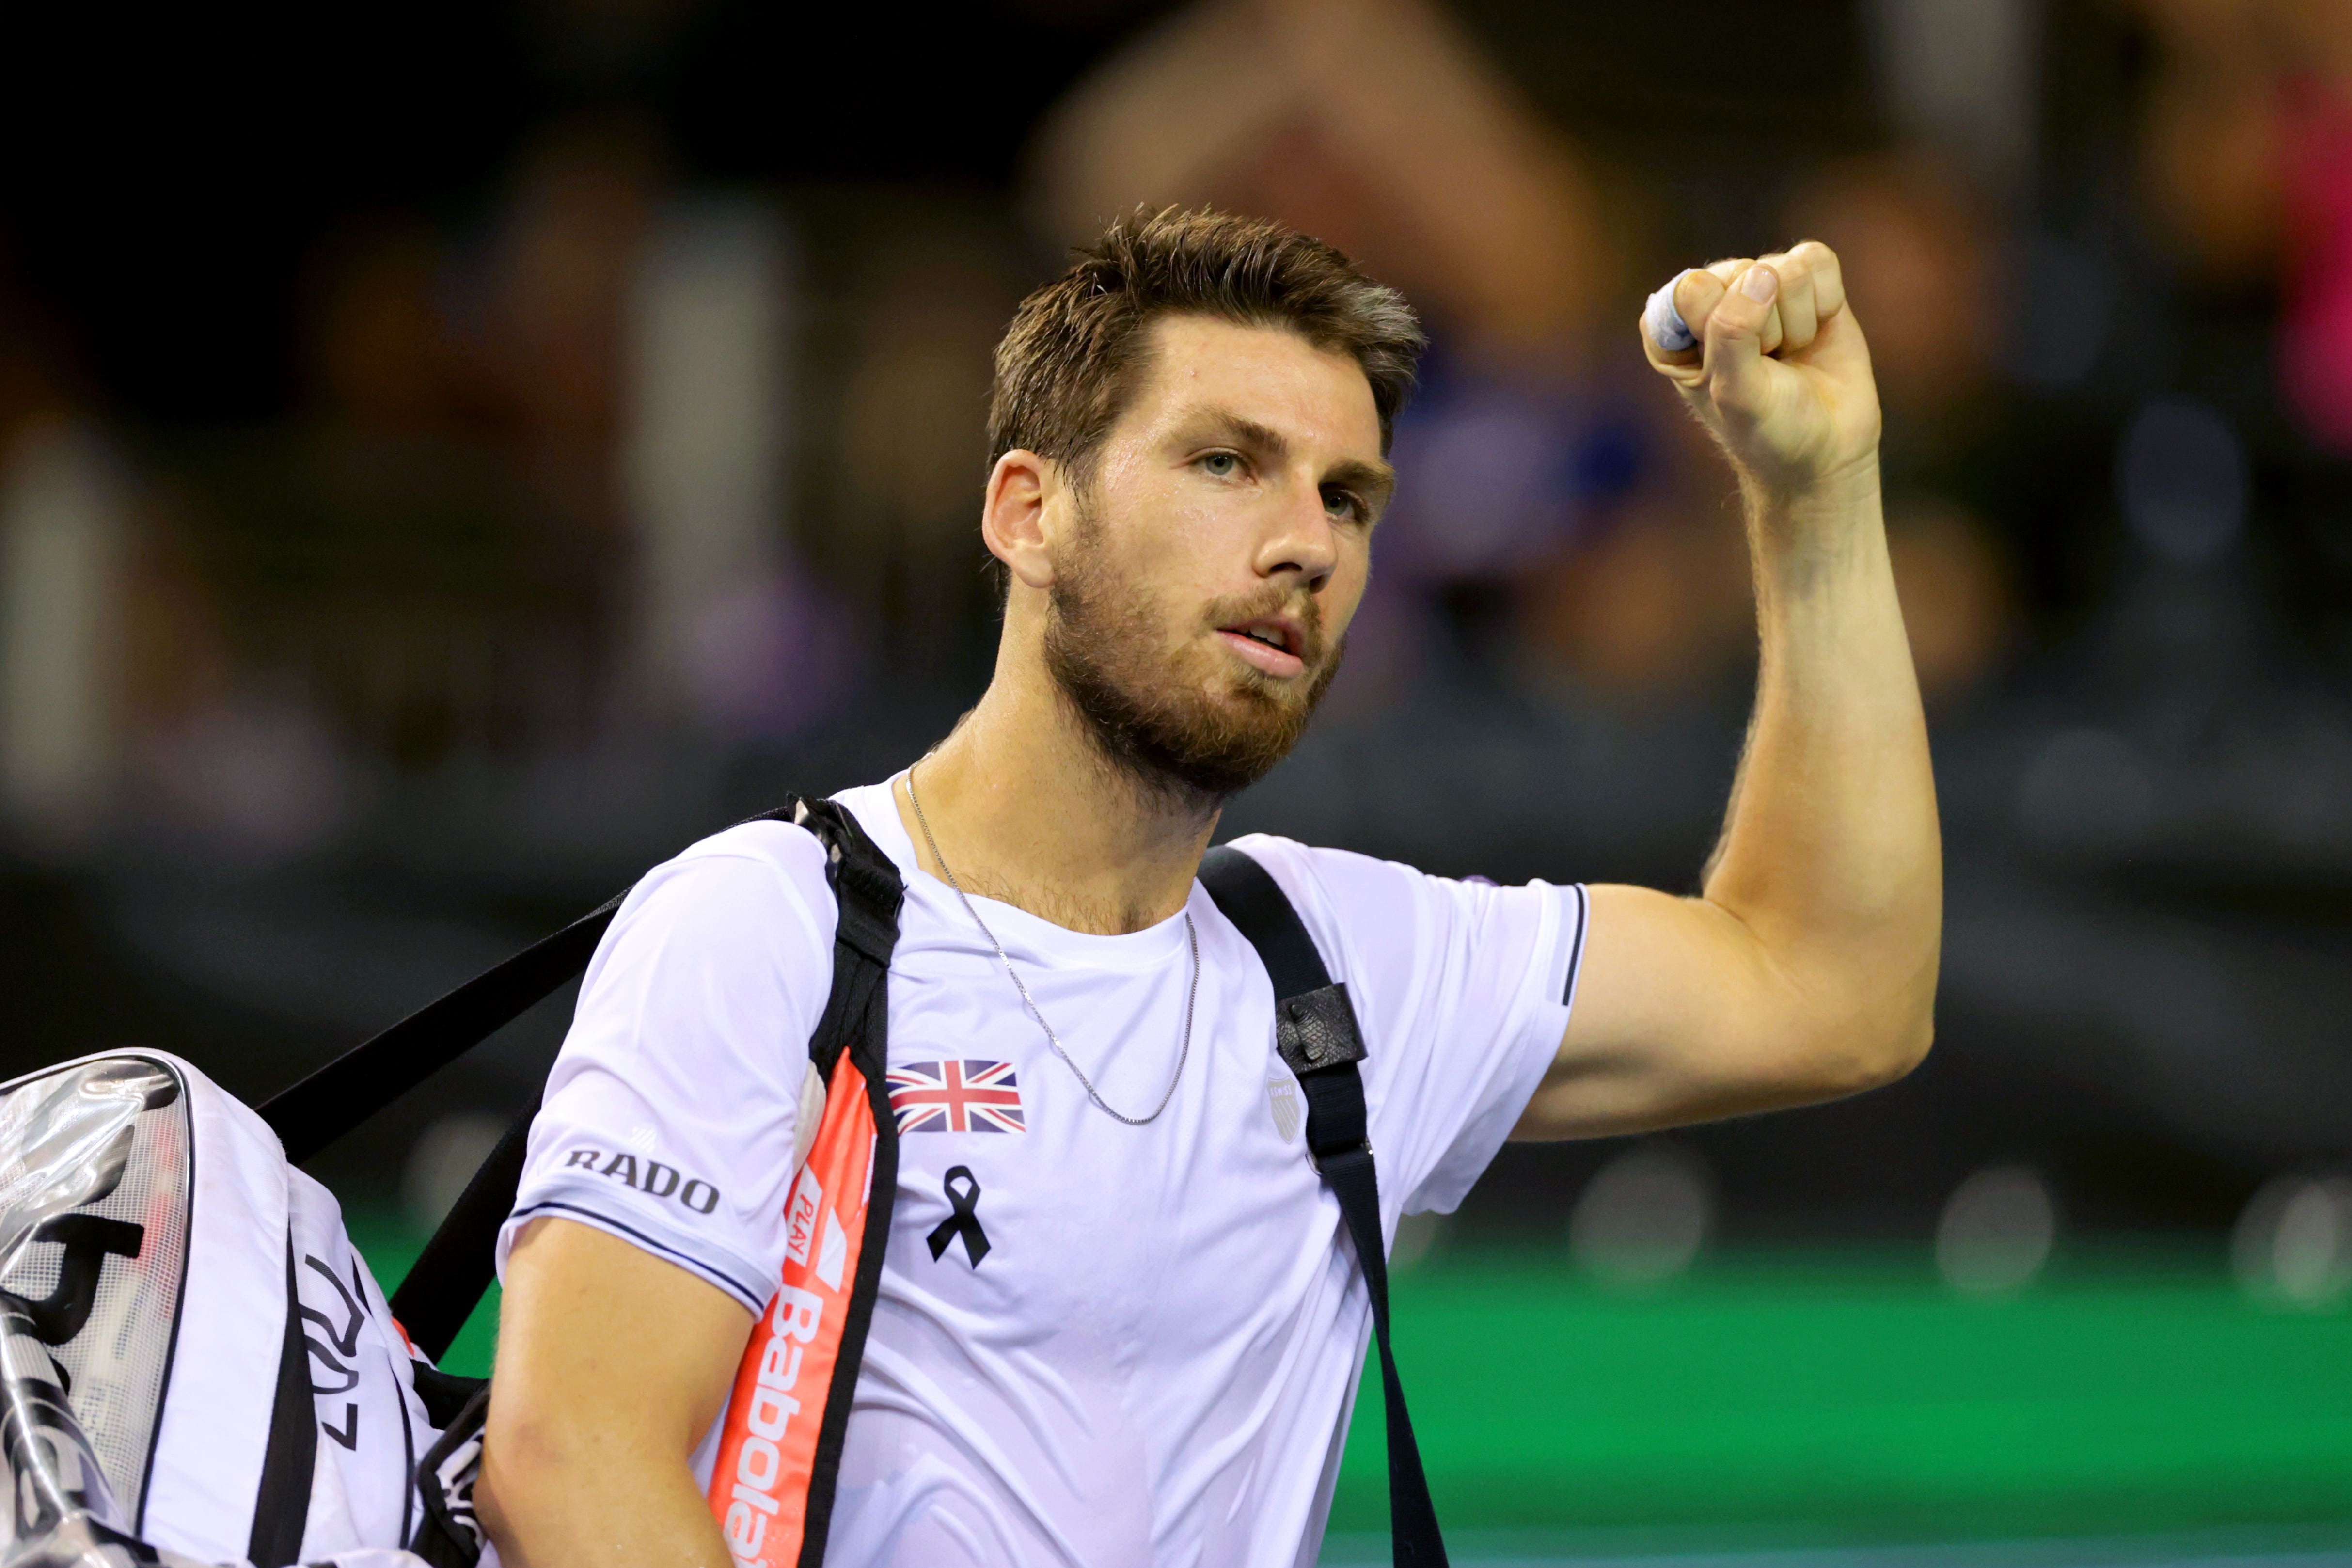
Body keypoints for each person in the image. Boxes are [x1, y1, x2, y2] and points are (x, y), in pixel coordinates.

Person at [476, 208, 1940, 1567]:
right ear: (1027, 513)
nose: (1307, 541)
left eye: (1350, 499)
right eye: (1227, 462)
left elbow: (1831, 990)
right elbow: (569, 1458)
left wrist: (1816, 495)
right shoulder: (768, 921)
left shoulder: (1339, 962)